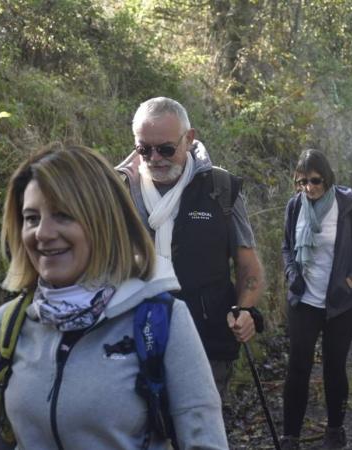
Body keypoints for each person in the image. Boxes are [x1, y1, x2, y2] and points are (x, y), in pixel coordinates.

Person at [0, 144, 228, 449]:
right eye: (31, 218)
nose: (42, 233)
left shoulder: (161, 321)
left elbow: (204, 442)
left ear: (102, 222)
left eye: (62, 216)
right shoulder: (7, 326)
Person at [116, 97, 265, 398]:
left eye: (166, 149)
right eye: (144, 149)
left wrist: (245, 310)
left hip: (206, 343)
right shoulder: (117, 189)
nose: (154, 158)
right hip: (130, 342)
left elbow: (249, 266)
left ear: (190, 138)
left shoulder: (221, 189)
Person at [281, 149, 352, 449]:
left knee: (334, 366)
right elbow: (287, 247)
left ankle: (335, 431)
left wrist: (350, 279)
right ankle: (290, 436)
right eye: (302, 182)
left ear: (327, 178)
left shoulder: (347, 205)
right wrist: (291, 273)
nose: (309, 188)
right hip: (304, 299)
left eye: (315, 181)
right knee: (298, 366)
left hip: (343, 303)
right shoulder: (295, 206)